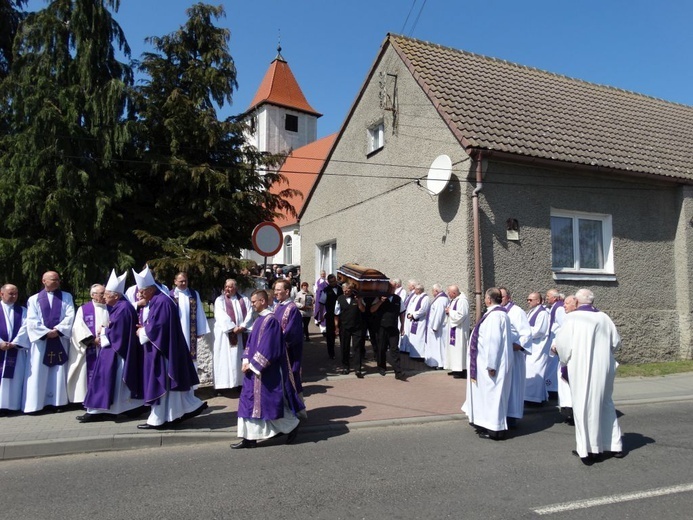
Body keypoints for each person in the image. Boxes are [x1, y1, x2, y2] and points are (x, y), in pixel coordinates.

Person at [555, 289, 624, 464]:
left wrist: (563, 360)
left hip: (582, 367)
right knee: (606, 403)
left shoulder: (572, 318)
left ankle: (589, 449)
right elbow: (616, 343)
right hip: (604, 366)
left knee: (582, 405)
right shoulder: (604, 317)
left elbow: (563, 346)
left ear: (577, 302)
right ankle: (614, 445)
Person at [133, 265, 206, 429]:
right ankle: (172, 415)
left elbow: (159, 328)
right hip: (163, 349)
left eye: (142, 291)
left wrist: (142, 332)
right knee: (170, 390)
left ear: (151, 289)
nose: (140, 294)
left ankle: (162, 419)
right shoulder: (157, 300)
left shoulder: (162, 302)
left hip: (164, 352)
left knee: (164, 385)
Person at [231, 289, 305, 449]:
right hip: (252, 370)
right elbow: (250, 343)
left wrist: (254, 365)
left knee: (268, 404)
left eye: (254, 302)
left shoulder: (270, 321)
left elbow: (269, 348)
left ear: (263, 301)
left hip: (265, 371)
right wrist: (245, 359)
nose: (252, 304)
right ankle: (248, 438)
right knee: (249, 403)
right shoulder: (258, 320)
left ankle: (291, 425)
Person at [78, 270, 144, 422]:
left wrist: (103, 331)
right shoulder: (119, 307)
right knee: (106, 380)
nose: (104, 297)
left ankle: (108, 410)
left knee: (109, 380)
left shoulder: (123, 308)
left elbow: (118, 333)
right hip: (113, 351)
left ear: (115, 295)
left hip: (117, 352)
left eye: (106, 294)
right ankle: (101, 410)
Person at [461, 287, 513, 440]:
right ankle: (490, 426)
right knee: (490, 396)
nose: (484, 300)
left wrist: (491, 365)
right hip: (488, 364)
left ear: (489, 299)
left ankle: (495, 430)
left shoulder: (495, 317)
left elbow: (493, 342)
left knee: (493, 397)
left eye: (485, 297)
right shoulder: (496, 314)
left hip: (491, 366)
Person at [24, 271, 75, 413]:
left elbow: (70, 315)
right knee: (39, 372)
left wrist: (58, 330)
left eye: (58, 279)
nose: (57, 282)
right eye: (54, 279)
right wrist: (46, 333)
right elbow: (32, 320)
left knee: (59, 371)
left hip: (59, 339)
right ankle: (38, 404)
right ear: (44, 281)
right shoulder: (34, 299)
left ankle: (58, 402)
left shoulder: (66, 297)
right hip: (42, 342)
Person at [67, 283, 109, 404]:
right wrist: (92, 340)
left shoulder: (109, 307)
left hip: (106, 346)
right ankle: (87, 399)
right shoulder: (84, 309)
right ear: (93, 295)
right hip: (90, 347)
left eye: (105, 292)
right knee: (87, 374)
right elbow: (78, 328)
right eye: (101, 293)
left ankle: (103, 398)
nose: (104, 296)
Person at [212, 279, 253, 393]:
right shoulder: (220, 300)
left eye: (230, 287)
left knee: (240, 357)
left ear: (236, 288)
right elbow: (220, 315)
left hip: (241, 334)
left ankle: (240, 383)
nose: (227, 289)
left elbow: (250, 313)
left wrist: (243, 326)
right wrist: (232, 327)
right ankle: (222, 385)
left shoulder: (244, 299)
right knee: (225, 359)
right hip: (225, 336)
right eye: (226, 286)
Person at [500, 286, 531, 427]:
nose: (500, 299)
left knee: (512, 387)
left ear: (509, 297)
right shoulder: (497, 312)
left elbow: (525, 334)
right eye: (498, 296)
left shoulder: (517, 312)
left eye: (503, 296)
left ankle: (511, 417)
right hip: (501, 357)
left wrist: (513, 346)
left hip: (514, 355)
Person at [273, 279, 305, 400]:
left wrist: (278, 341)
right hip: (278, 352)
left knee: (290, 379)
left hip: (289, 353)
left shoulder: (292, 309)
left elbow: (293, 333)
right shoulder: (277, 307)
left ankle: (296, 411)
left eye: (278, 290)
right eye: (275, 290)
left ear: (287, 291)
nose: (275, 292)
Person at [0, 284, 30, 415]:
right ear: (1, 294)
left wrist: (15, 343)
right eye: (11, 294)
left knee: (15, 379)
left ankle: (13, 406)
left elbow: (26, 327)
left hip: (16, 350)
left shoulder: (23, 311)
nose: (14, 296)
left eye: (16, 294)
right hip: (1, 350)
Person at [170, 272, 210, 367]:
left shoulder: (193, 294)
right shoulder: (170, 295)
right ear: (175, 282)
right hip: (175, 331)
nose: (184, 283)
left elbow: (199, 311)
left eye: (185, 281)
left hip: (190, 331)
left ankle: (191, 379)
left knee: (190, 355)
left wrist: (200, 330)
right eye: (181, 281)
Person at [370, 281, 408, 380]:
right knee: (381, 348)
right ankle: (381, 367)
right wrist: (380, 301)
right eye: (390, 288)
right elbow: (372, 310)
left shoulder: (398, 299)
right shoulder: (378, 298)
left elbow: (402, 313)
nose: (391, 290)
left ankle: (398, 372)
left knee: (394, 349)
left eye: (393, 288)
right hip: (381, 327)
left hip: (393, 327)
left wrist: (402, 326)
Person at [553, 294, 577, 424]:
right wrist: (555, 346)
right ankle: (568, 411)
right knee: (565, 386)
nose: (564, 305)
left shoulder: (576, 320)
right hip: (564, 358)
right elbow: (560, 335)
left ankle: (574, 412)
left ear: (575, 304)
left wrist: (559, 348)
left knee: (572, 386)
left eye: (567, 303)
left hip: (572, 359)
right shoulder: (567, 319)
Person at [524, 292, 550, 405]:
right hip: (531, 346)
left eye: (531, 300)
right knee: (530, 371)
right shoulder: (531, 311)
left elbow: (540, 331)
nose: (528, 302)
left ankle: (534, 399)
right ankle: (534, 397)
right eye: (528, 299)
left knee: (536, 371)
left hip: (538, 347)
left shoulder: (543, 313)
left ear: (538, 301)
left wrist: (525, 332)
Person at [334, 282, 365, 376]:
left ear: (351, 290)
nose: (346, 291)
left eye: (348, 289)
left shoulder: (357, 298)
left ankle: (358, 369)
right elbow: (336, 314)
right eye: (345, 289)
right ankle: (345, 367)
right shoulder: (339, 299)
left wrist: (359, 301)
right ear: (343, 289)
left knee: (357, 347)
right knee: (344, 347)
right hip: (344, 326)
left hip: (357, 327)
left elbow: (363, 310)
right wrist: (336, 327)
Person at [444, 285, 469, 378]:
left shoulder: (462, 301)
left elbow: (461, 315)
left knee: (459, 349)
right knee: (453, 350)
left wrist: (450, 311)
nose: (448, 294)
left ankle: (461, 370)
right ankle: (455, 368)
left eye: (449, 293)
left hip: (459, 330)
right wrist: (448, 311)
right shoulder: (455, 300)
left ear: (454, 293)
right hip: (453, 329)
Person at [544, 289, 565, 395]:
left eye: (548, 296)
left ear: (555, 297)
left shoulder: (560, 308)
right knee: (551, 364)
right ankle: (551, 386)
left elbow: (563, 325)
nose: (546, 298)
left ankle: (553, 388)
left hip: (557, 340)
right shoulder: (554, 307)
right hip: (552, 338)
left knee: (554, 364)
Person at [424, 283, 449, 369]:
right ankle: (435, 362)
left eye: (432, 291)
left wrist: (435, 326)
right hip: (435, 327)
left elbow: (439, 314)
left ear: (436, 291)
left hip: (437, 328)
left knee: (438, 346)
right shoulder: (439, 299)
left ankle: (439, 363)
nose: (432, 293)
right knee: (435, 346)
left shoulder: (441, 300)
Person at [403, 283, 429, 359]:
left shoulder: (425, 298)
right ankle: (413, 354)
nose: (414, 291)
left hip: (420, 321)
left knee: (419, 338)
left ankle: (419, 355)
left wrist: (413, 315)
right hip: (413, 320)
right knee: (414, 337)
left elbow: (423, 310)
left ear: (419, 290)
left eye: (416, 290)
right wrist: (410, 314)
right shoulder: (417, 297)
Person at [321, 274, 342, 360]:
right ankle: (331, 353)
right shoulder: (325, 290)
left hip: (341, 314)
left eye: (334, 281)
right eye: (331, 282)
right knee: (330, 335)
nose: (333, 283)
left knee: (343, 334)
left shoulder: (341, 288)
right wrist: (321, 315)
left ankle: (345, 352)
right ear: (328, 282)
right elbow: (321, 303)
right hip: (330, 315)